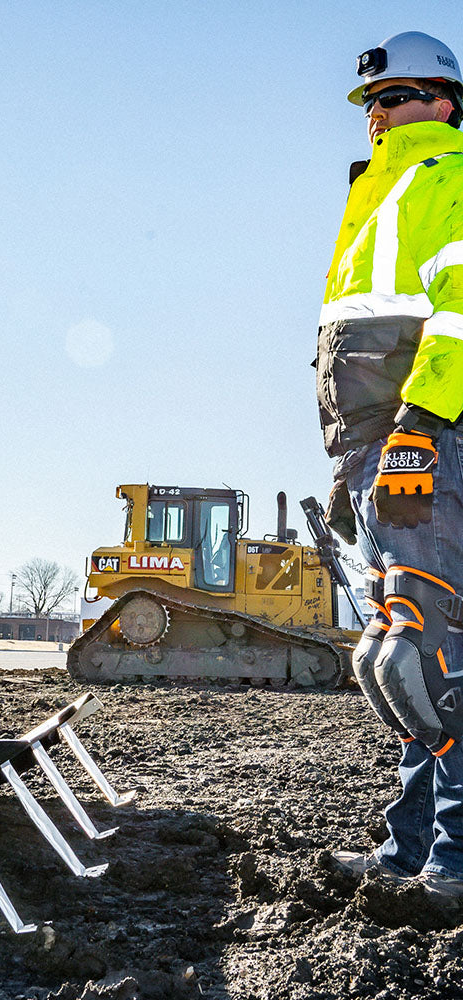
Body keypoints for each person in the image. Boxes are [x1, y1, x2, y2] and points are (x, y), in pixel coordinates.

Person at [317, 31, 463, 896]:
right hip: (376, 452)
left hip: (426, 444)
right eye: (373, 100)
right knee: (394, 659)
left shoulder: (446, 179)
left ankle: (455, 858)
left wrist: (418, 426)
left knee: (432, 659)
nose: (379, 112)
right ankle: (407, 848)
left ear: (444, 103)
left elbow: (459, 319)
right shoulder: (375, 198)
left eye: (398, 96)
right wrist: (352, 463)